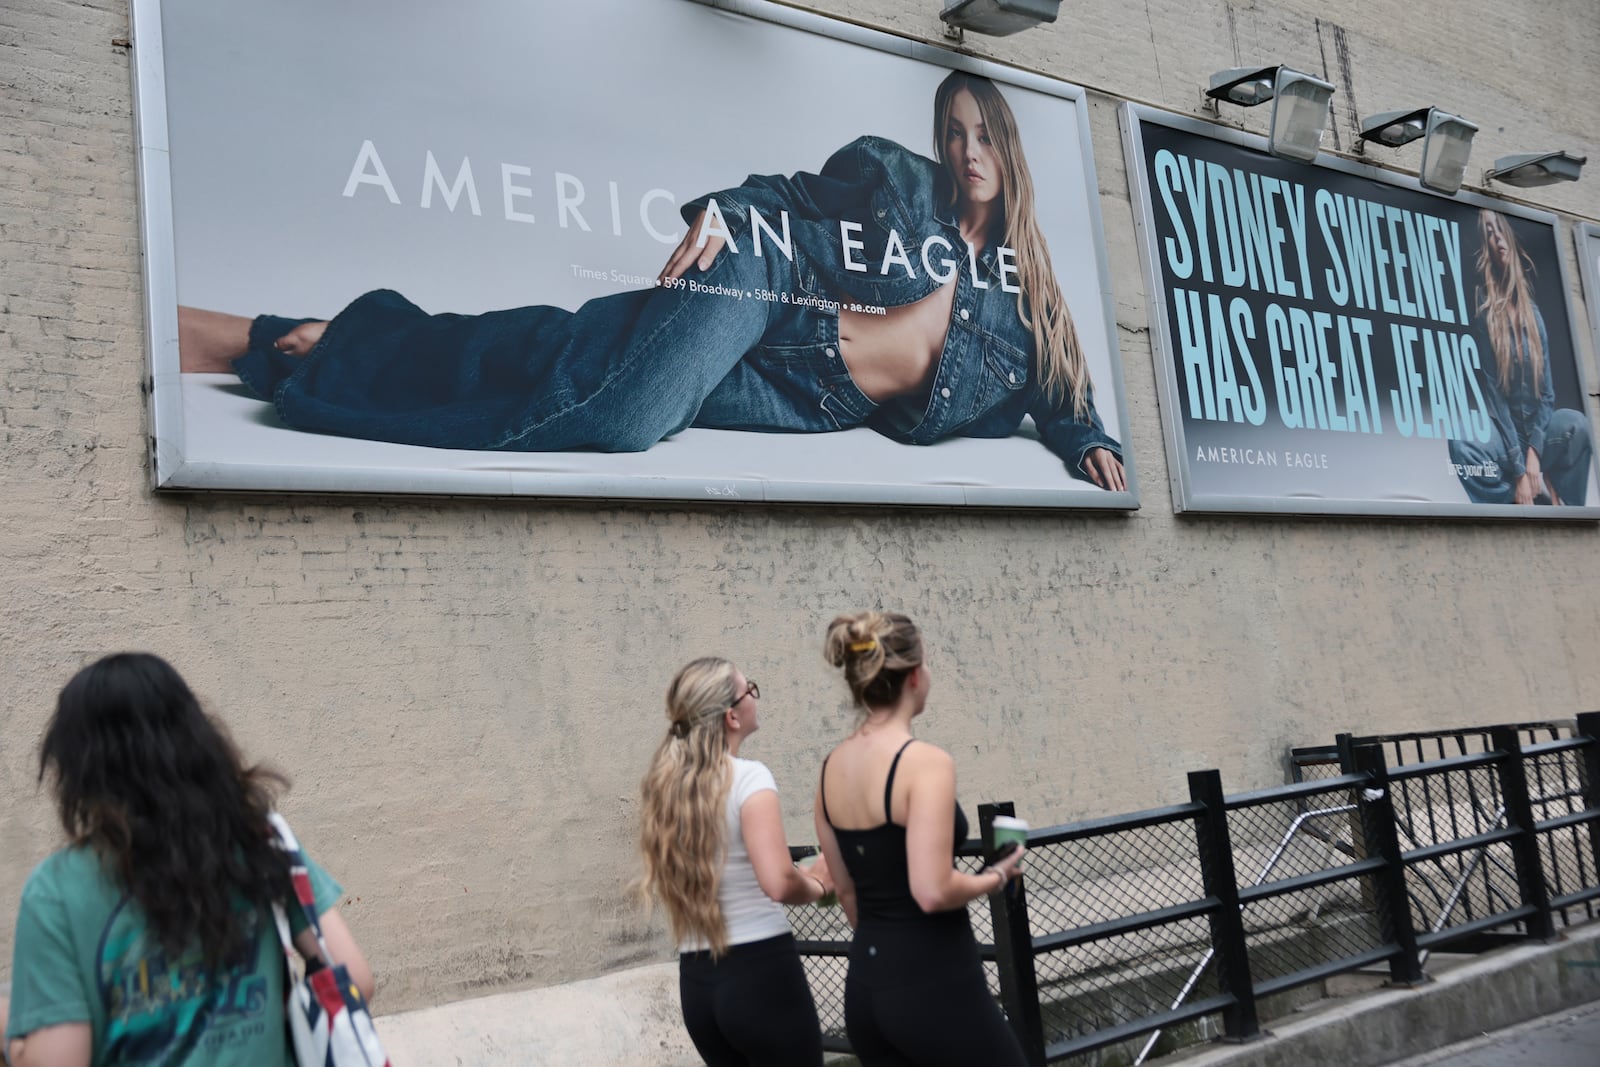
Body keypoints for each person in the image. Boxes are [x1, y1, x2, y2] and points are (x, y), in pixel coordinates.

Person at [177, 72, 1126, 489]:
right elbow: (784, 195)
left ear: (1010, 149)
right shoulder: (894, 176)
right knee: (625, 412)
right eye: (954, 130)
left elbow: (1062, 403)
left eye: (984, 132)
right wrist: (721, 211)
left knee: (574, 351)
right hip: (769, 284)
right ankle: (319, 362)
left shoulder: (1027, 304)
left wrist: (1087, 439)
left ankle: (330, 335)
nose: (967, 149)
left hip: (808, 393)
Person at [3, 653, 374, 1067]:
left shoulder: (56, 892)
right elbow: (355, 978)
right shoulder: (260, 840)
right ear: (196, 741)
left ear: (77, 765)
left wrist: (13, 1036)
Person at [812, 612, 1028, 1067]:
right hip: (933, 983)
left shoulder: (831, 767)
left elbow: (846, 889)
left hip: (867, 988)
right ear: (913, 676)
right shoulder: (925, 763)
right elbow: (931, 891)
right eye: (926, 663)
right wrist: (994, 876)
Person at [637, 657, 833, 1067]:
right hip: (759, 973)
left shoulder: (668, 789)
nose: (755, 699)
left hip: (697, 981)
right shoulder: (749, 777)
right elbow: (777, 883)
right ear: (732, 716)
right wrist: (817, 883)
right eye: (750, 691)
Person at [1449, 209, 1592, 505]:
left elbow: (1548, 394)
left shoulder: (1533, 315)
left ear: (1510, 241)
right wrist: (1518, 472)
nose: (1497, 236)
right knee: (1461, 441)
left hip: (1536, 437)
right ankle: (1516, 499)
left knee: (1577, 424)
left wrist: (1535, 456)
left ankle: (1566, 504)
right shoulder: (1485, 313)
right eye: (1489, 232)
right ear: (1486, 247)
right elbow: (1494, 398)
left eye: (1500, 229)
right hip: (1505, 437)